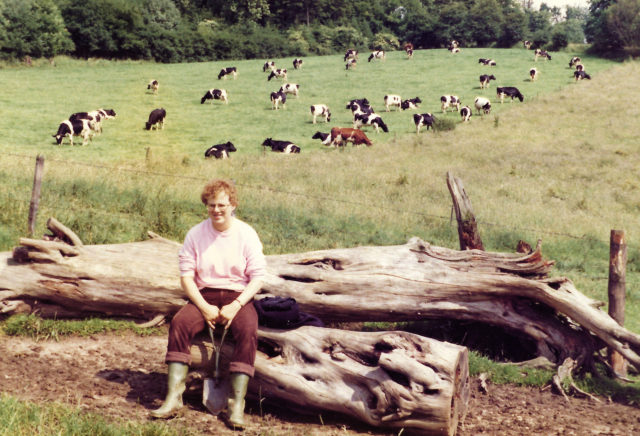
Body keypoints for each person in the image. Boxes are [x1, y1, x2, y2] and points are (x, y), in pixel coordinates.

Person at [151, 179, 266, 429]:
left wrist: (236, 306)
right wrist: (204, 307)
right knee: (180, 323)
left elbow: (258, 278)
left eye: (222, 205)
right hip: (205, 294)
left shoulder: (246, 234)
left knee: (248, 330)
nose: (216, 210)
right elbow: (186, 277)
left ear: (233, 204)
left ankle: (236, 406)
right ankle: (173, 398)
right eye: (211, 205)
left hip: (238, 294)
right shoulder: (195, 234)